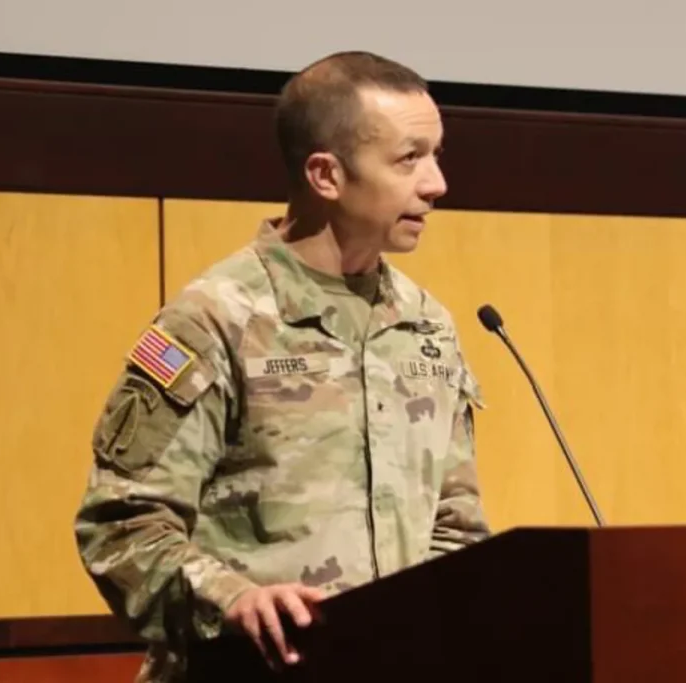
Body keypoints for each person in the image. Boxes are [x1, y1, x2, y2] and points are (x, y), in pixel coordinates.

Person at [72, 50, 492, 682]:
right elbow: (122, 526)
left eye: (435, 155)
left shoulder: (425, 325)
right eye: (409, 158)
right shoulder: (217, 319)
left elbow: (454, 529)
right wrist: (233, 600)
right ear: (326, 175)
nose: (437, 184)